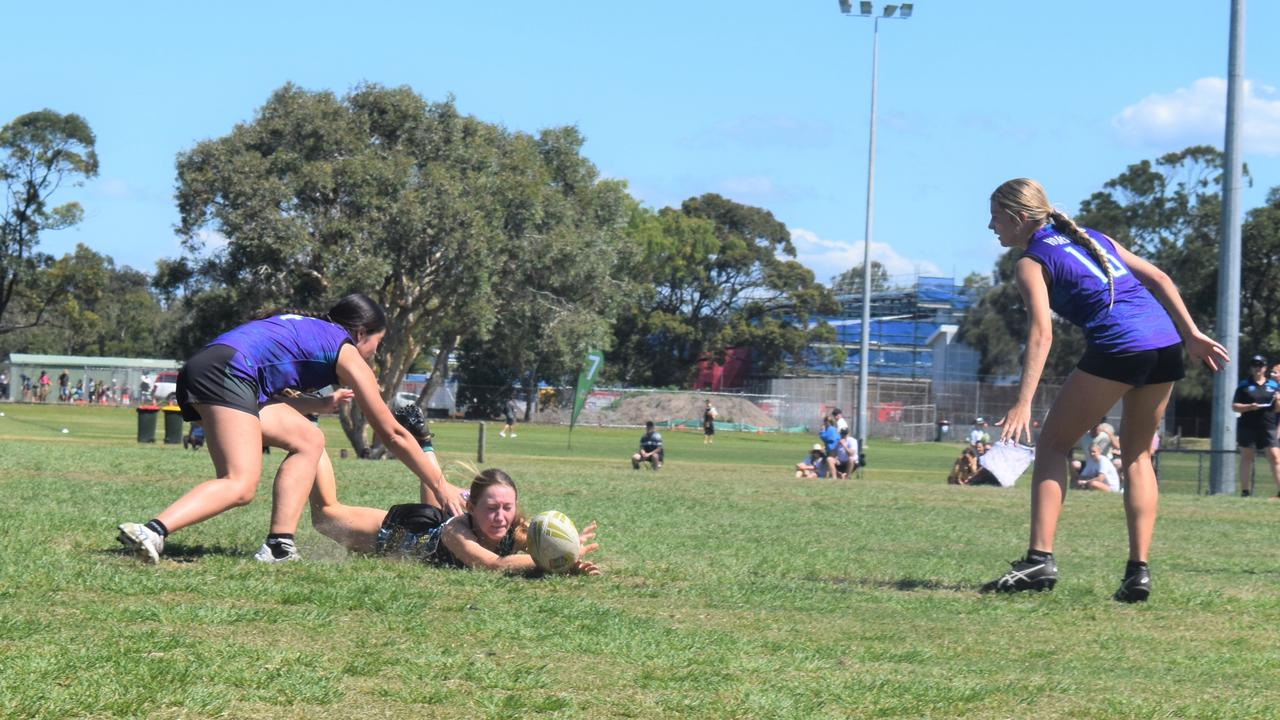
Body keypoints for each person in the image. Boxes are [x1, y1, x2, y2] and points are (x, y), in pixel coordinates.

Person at [980, 178, 1228, 603]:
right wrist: (1192, 335)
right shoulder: (1094, 238)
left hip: (1121, 347)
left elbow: (1041, 335)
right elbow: (1160, 277)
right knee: (1137, 456)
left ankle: (1039, 559)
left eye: (996, 217)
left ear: (1020, 219)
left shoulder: (1031, 261)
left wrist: (1023, 402)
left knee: (1054, 447)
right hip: (1164, 343)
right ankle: (1139, 573)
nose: (991, 226)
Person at [116, 293, 466, 565]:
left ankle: (279, 546)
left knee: (308, 438)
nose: (374, 352)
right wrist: (440, 484)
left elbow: (263, 392)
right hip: (228, 374)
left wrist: (318, 406)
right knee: (239, 484)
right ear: (360, 334)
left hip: (211, 368)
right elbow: (392, 433)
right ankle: (152, 531)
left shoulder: (308, 326)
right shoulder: (346, 351)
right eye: (377, 342)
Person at [309, 462, 600, 575]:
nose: (500, 517)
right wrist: (556, 561)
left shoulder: (518, 530)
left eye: (507, 507)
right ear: (472, 507)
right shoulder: (457, 531)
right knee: (324, 514)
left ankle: (424, 442)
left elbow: (542, 543)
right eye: (491, 508)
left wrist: (564, 548)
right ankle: (312, 437)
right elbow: (493, 565)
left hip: (433, 522)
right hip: (392, 532)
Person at [1231, 354, 1280, 498]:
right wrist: (1249, 407)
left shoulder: (1273, 385)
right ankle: (1245, 492)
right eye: (1254, 365)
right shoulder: (1244, 385)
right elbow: (1235, 406)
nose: (1257, 368)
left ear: (1265, 368)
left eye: (1260, 365)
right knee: (1247, 457)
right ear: (1251, 368)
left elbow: (1277, 409)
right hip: (1247, 426)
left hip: (1267, 425)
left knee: (1275, 457)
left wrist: (1278, 401)